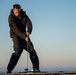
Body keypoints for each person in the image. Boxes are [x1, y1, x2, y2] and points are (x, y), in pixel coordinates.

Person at [7, 4, 40, 73]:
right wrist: (24, 36)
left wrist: (28, 31)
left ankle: (36, 68)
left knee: (32, 49)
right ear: (13, 10)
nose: (17, 13)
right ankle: (9, 69)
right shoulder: (11, 18)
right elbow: (16, 29)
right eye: (16, 12)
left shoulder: (23, 14)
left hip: (24, 35)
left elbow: (29, 22)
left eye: (19, 12)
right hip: (16, 36)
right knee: (18, 51)